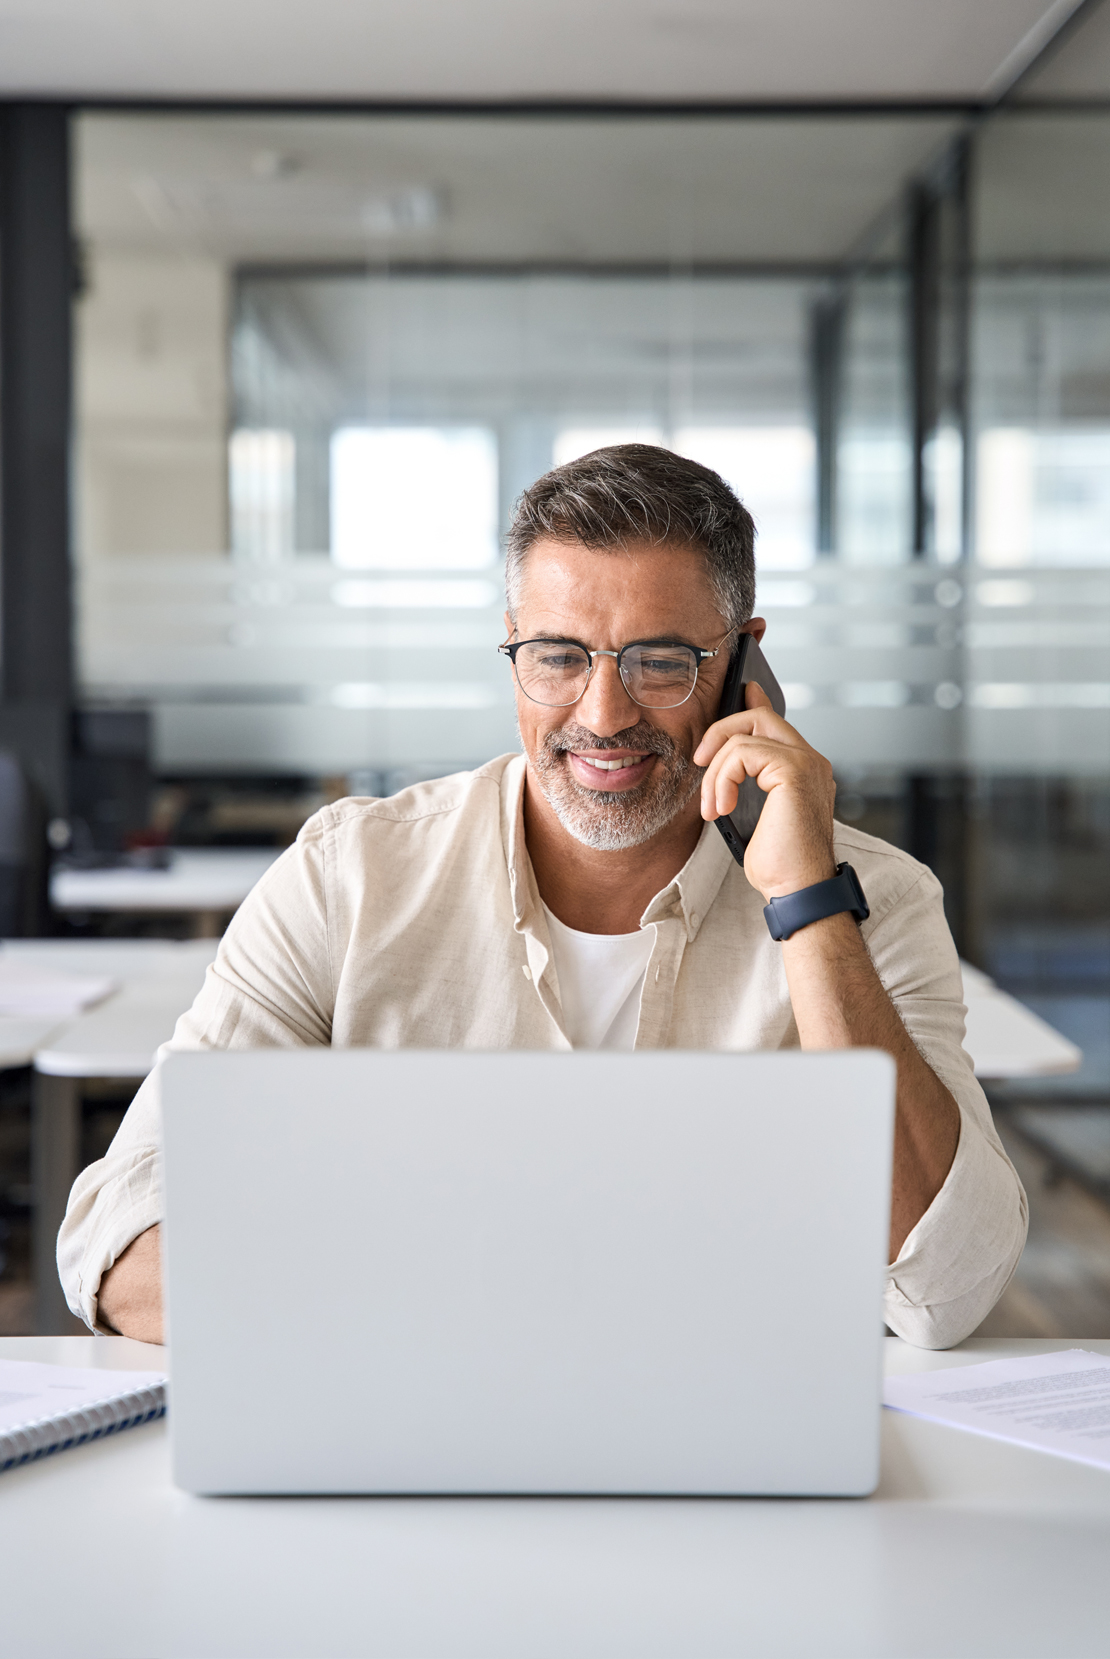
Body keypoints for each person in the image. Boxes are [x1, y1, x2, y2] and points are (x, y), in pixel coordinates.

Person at [58, 444, 1026, 1348]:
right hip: (413, 1444)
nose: (601, 717)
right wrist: (480, 1302)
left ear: (741, 664)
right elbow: (119, 1239)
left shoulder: (874, 901)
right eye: (559, 656)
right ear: (513, 648)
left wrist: (808, 905)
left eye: (659, 661)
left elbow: (947, 1286)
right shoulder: (349, 877)